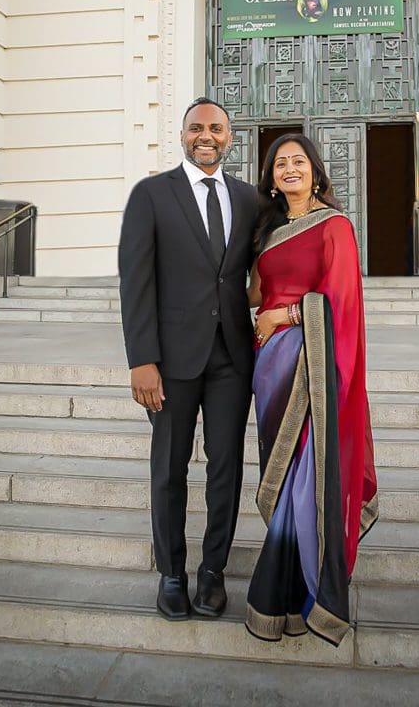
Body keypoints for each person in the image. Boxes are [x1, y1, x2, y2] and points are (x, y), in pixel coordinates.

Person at [119, 97, 257, 621]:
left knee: (226, 470)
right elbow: (136, 282)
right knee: (169, 470)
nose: (207, 136)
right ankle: (172, 573)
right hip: (171, 362)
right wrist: (141, 360)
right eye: (197, 128)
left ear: (229, 136)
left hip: (231, 360)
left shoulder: (247, 199)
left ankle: (212, 573)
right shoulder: (151, 195)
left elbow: (258, 268)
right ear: (182, 136)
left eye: (216, 128)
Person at [246, 134, 378, 645]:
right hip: (270, 370)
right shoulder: (270, 231)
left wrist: (287, 313)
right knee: (284, 474)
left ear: (316, 171)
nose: (289, 169)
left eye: (298, 160)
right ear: (272, 178)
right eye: (280, 163)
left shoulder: (335, 226)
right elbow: (254, 291)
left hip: (310, 365)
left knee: (306, 477)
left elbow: (342, 300)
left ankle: (300, 594)